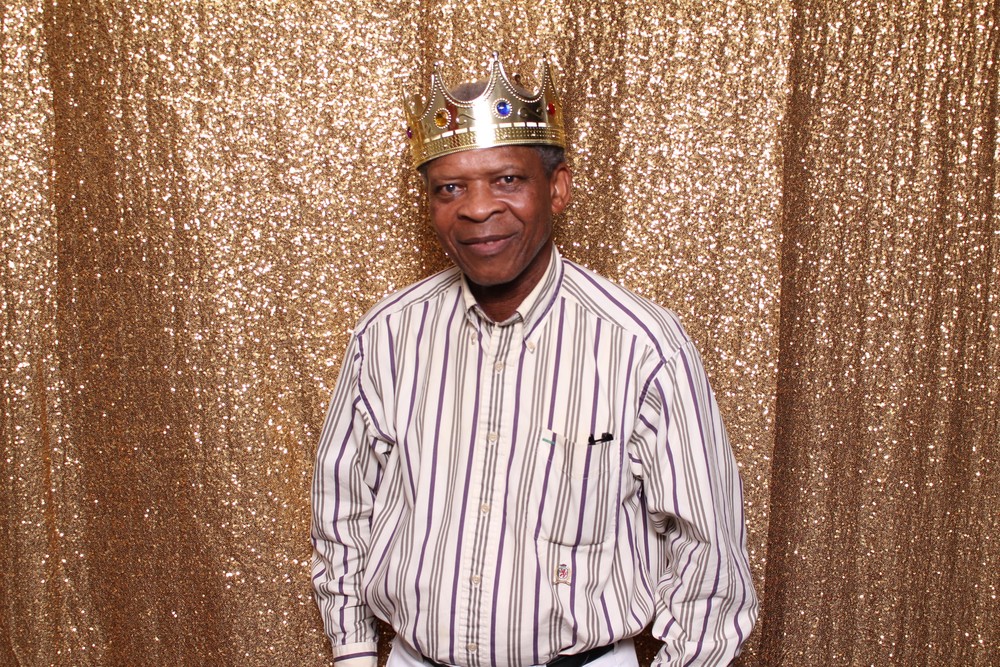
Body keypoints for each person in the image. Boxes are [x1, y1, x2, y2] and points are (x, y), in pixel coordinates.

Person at [311, 52, 758, 667]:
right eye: (449, 188)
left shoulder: (641, 346)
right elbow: (342, 508)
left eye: (507, 180)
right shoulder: (387, 334)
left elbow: (709, 552)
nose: (476, 208)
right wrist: (355, 652)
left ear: (558, 187)